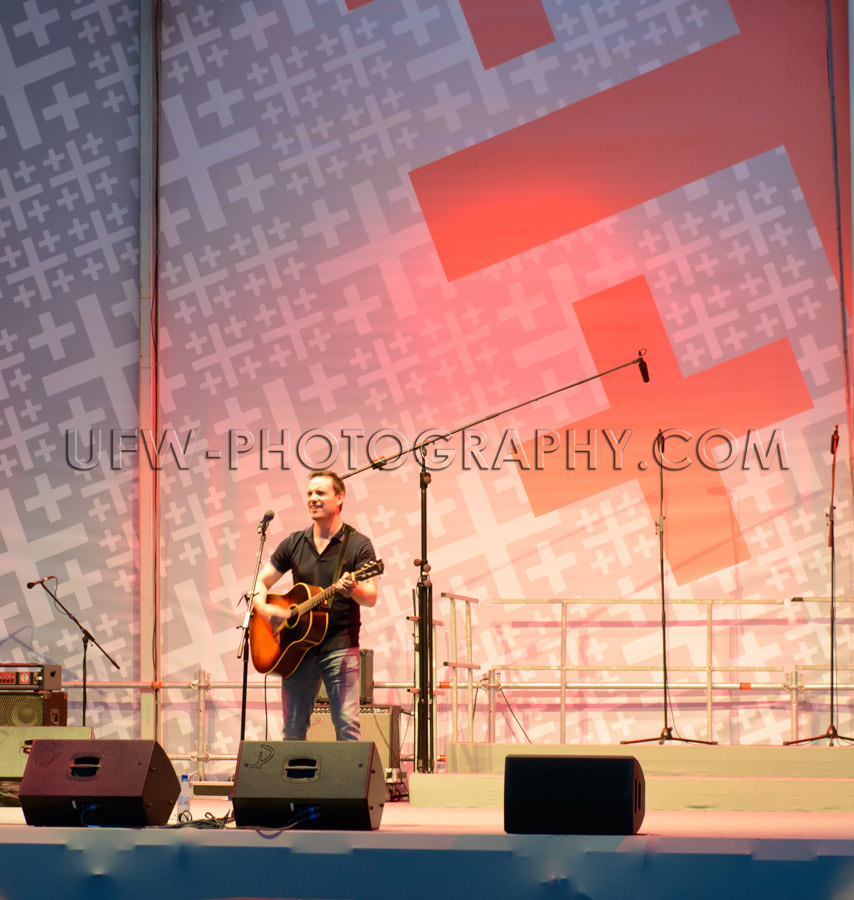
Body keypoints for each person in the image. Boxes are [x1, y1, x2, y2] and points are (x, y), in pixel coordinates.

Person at [251, 469, 378, 741]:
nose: (313, 499)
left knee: (347, 728)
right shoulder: (295, 542)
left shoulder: (358, 545)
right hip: (296, 650)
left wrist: (353, 587)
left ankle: (348, 785)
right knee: (293, 730)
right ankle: (294, 783)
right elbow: (260, 584)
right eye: (309, 493)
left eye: (320, 493)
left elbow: (371, 597)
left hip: (339, 647)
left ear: (339, 497)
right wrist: (266, 610)